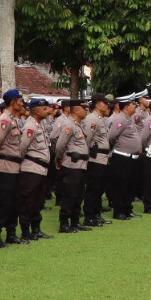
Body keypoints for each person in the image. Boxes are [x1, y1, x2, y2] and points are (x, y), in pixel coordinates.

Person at [0, 89, 28, 246]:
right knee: (3, 202)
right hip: (4, 167)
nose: (22, 103)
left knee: (15, 202)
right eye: (20, 101)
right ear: (13, 102)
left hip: (16, 166)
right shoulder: (4, 120)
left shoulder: (14, 120)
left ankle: (11, 232)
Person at [18, 96, 57, 237]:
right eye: (44, 109)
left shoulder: (39, 124)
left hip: (41, 168)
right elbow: (22, 147)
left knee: (38, 200)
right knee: (29, 200)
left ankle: (36, 229)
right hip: (31, 168)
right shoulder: (30, 126)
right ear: (36, 111)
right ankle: (25, 231)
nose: (47, 111)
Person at [53, 98, 91, 232]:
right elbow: (59, 146)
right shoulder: (68, 125)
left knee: (79, 194)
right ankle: (64, 223)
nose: (86, 111)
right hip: (71, 165)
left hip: (81, 165)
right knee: (69, 194)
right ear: (76, 110)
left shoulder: (78, 124)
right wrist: (59, 160)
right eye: (84, 109)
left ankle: (75, 221)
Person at [83, 94, 114, 225]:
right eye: (104, 103)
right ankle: (89, 216)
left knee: (99, 189)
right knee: (93, 189)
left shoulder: (102, 119)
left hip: (103, 158)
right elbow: (86, 140)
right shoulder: (92, 119)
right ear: (97, 104)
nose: (107, 105)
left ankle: (96, 214)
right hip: (95, 159)